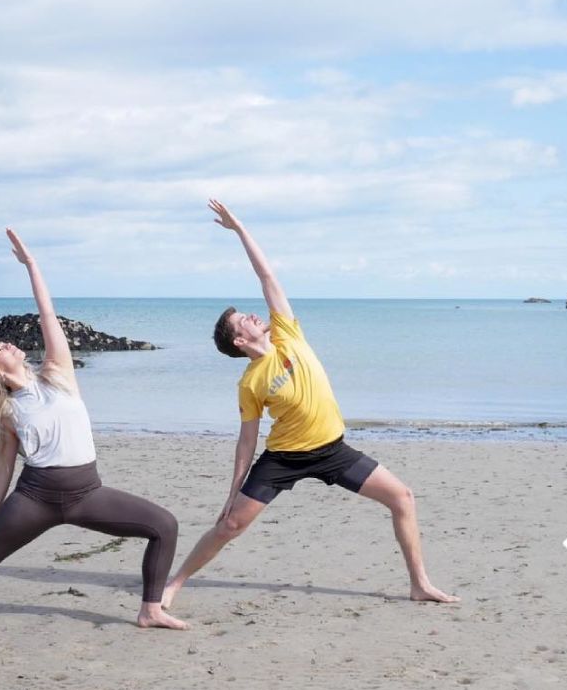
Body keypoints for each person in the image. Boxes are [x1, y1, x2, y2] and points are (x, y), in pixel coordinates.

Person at [0, 229, 188, 631]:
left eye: (2, 342)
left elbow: (47, 316)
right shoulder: (6, 410)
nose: (5, 344)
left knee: (164, 525)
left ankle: (150, 610)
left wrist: (32, 265)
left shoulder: (57, 373)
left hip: (86, 493)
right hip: (35, 498)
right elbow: (4, 469)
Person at [161, 199, 458, 608]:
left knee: (402, 497)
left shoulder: (287, 334)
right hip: (283, 458)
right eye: (243, 320)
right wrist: (232, 491)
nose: (252, 315)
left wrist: (239, 229)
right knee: (229, 526)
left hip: (333, 451)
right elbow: (247, 440)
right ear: (239, 341)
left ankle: (419, 583)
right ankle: (174, 584)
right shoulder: (250, 382)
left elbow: (266, 275)